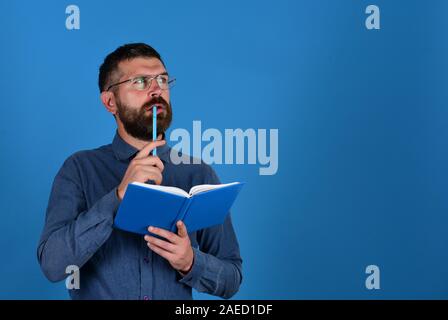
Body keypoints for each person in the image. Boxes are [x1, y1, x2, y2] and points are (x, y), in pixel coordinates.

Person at [37, 43, 243, 300]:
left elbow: (232, 278)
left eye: (163, 80)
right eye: (141, 81)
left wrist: (191, 262)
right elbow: (53, 264)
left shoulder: (198, 175)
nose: (157, 89)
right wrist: (119, 196)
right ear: (110, 102)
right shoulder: (79, 169)